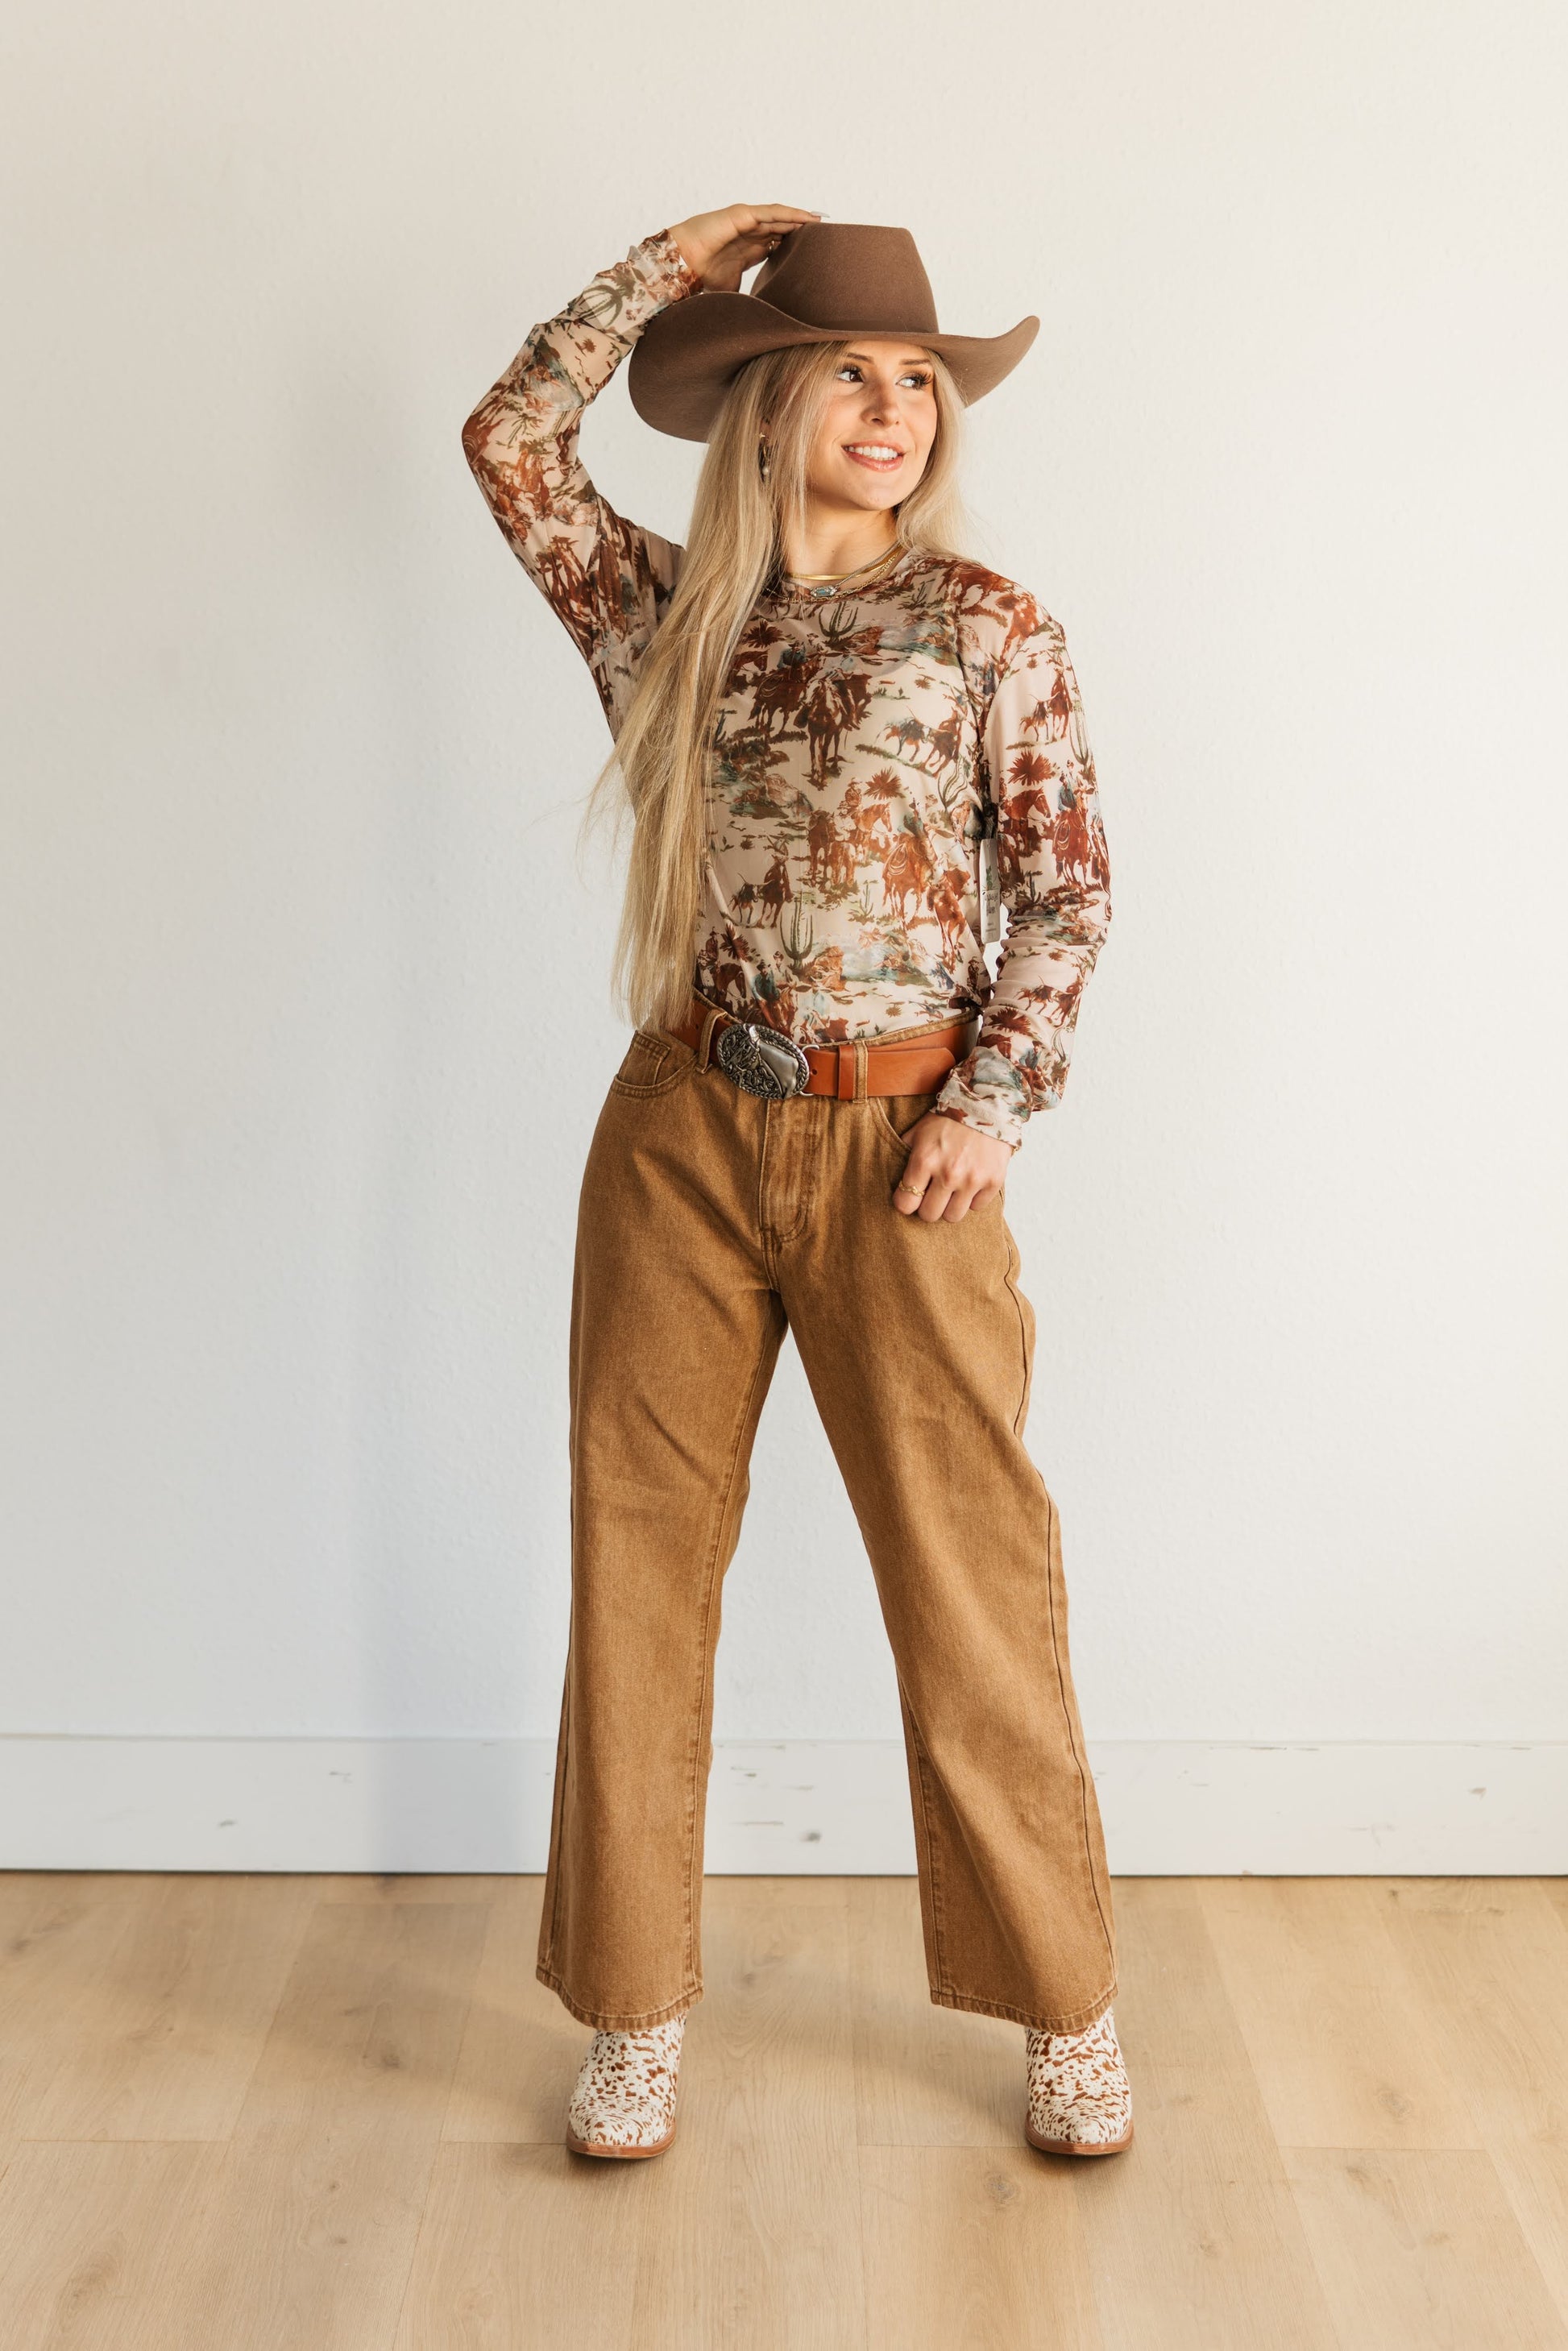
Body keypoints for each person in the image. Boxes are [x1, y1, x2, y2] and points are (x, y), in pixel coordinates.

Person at [460, 201, 1131, 2162]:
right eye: (845, 368)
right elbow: (509, 440)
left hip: (905, 1157)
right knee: (636, 1561)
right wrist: (666, 267)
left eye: (917, 377)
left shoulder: (987, 624)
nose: (890, 405)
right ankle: (632, 2009)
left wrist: (993, 1099)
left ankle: (1066, 2004)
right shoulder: (661, 614)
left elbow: (1067, 888)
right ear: (761, 404)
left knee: (966, 1574)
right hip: (677, 1132)